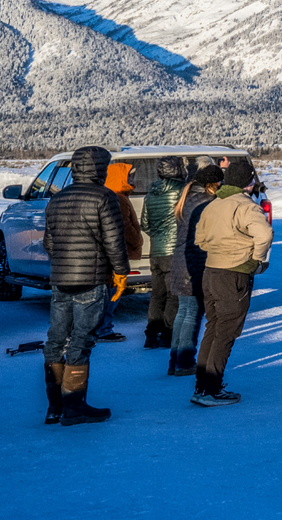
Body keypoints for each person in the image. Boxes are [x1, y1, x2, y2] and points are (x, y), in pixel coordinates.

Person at [41, 146, 129, 425]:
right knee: (82, 338)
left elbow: (49, 243)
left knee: (56, 339)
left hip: (60, 278)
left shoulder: (57, 199)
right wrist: (121, 272)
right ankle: (74, 406)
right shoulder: (104, 197)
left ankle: (54, 407)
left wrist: (65, 262)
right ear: (101, 169)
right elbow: (114, 241)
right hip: (91, 278)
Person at [192, 159, 272, 406]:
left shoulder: (213, 205)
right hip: (234, 273)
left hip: (211, 271)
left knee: (213, 328)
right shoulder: (246, 207)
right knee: (226, 331)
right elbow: (265, 233)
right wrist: (256, 260)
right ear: (249, 183)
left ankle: (202, 386)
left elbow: (200, 240)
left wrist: (218, 250)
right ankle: (212, 390)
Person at [168, 164, 222, 377]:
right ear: (214, 184)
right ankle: (185, 361)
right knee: (193, 313)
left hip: (180, 261)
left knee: (183, 312)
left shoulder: (186, 199)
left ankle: (175, 360)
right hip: (196, 262)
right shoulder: (209, 203)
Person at [94, 162, 144, 342]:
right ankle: (103, 329)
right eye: (129, 176)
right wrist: (137, 240)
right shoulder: (117, 198)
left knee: (109, 291)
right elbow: (123, 226)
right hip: (116, 253)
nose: (132, 179)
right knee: (112, 291)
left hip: (113, 253)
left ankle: (102, 328)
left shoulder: (115, 195)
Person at [139, 156, 185, 350]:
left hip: (156, 251)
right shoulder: (182, 190)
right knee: (173, 295)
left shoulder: (151, 193)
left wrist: (158, 237)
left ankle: (151, 335)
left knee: (157, 294)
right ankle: (168, 334)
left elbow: (145, 224)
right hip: (175, 249)